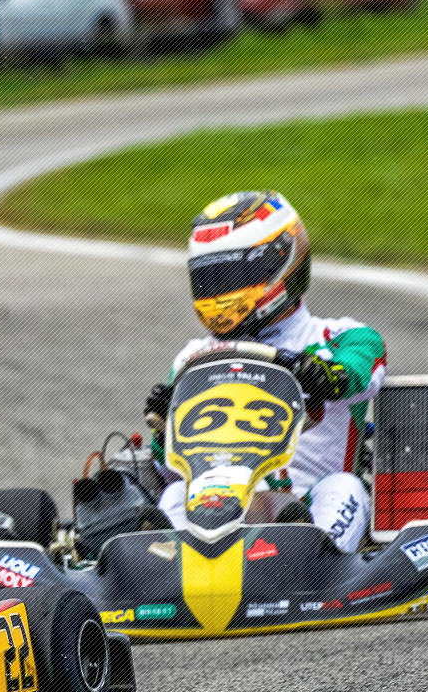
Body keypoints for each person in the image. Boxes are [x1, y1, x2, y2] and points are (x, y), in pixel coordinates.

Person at [146, 191, 386, 553]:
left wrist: (320, 375)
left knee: (344, 489)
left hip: (308, 500)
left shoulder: (341, 338)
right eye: (211, 280)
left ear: (281, 263)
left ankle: (313, 555)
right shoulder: (193, 359)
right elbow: (168, 469)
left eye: (232, 277)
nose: (221, 293)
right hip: (218, 507)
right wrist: (165, 430)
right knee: (176, 494)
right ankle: (168, 569)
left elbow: (360, 373)